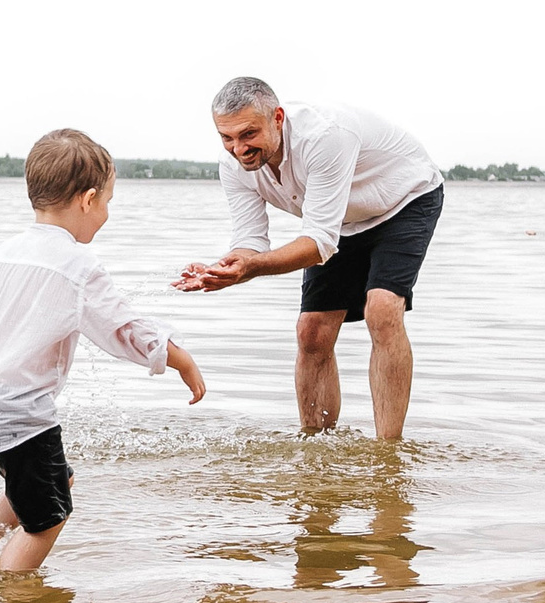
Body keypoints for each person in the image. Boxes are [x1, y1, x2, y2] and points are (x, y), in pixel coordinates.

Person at [0, 128, 205, 572]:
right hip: (20, 412)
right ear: (88, 200)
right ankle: (10, 600)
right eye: (107, 202)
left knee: (50, 484)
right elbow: (123, 326)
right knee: (48, 519)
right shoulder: (77, 265)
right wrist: (178, 357)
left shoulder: (4, 251)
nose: (106, 213)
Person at [174, 77, 442, 438]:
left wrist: (250, 269)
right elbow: (250, 240)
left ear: (278, 118)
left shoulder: (326, 137)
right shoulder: (234, 166)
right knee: (312, 332)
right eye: (227, 138)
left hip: (404, 200)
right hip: (340, 222)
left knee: (381, 308)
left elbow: (318, 243)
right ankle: (315, 445)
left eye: (248, 134)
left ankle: (388, 451)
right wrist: (225, 268)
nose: (239, 149)